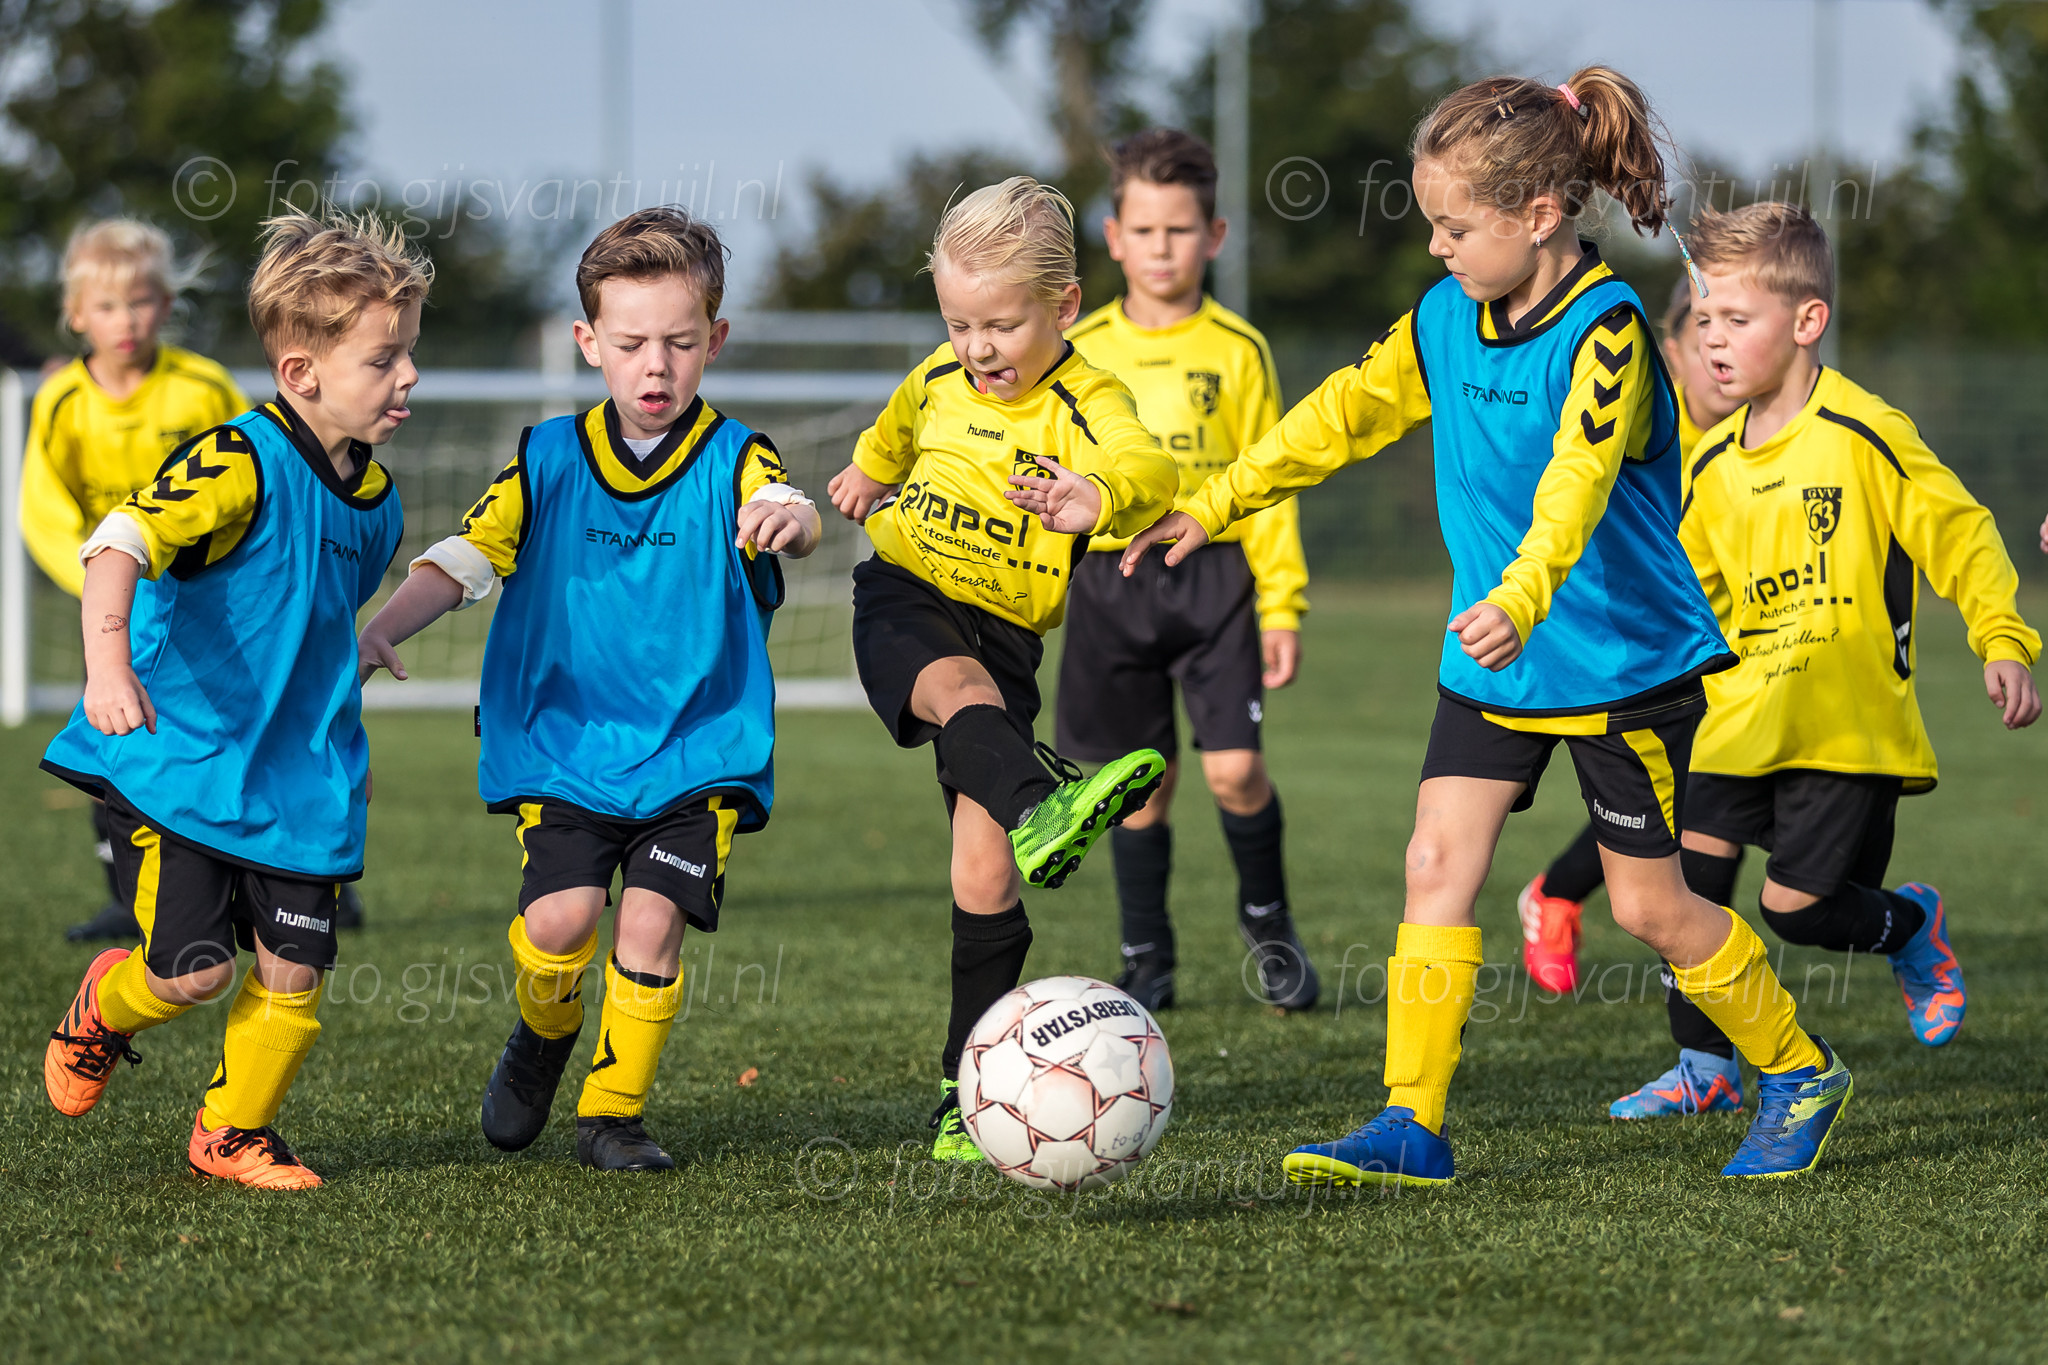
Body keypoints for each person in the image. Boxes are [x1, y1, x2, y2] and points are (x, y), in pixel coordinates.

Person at [1126, 69, 1853, 1184]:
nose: (1436, 247)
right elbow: (1338, 417)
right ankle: (1410, 1121)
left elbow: (1575, 485)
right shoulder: (1441, 318)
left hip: (1619, 665)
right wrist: (1213, 502)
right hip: (1494, 662)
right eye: (1431, 224)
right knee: (1432, 861)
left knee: (1650, 910)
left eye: (1455, 227)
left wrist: (1518, 596)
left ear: (1540, 214)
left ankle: (1800, 1070)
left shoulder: (1607, 330)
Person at [358, 208, 820, 1172]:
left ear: (714, 342)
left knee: (650, 919)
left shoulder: (739, 457)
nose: (657, 365)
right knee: (561, 922)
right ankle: (544, 1030)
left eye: (680, 343)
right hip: (567, 744)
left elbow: (783, 503)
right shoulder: (548, 458)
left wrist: (790, 520)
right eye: (632, 343)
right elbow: (468, 554)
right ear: (588, 343)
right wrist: (383, 627)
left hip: (697, 746)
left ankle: (613, 1115)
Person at [1606, 202, 2039, 1118]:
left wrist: (2002, 637)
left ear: (1807, 321)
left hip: (1845, 726)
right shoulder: (1710, 464)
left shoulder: (1864, 431)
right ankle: (1705, 1067)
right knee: (1686, 888)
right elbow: (1687, 597)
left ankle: (1910, 922)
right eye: (1703, 319)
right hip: (1737, 720)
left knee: (1795, 909)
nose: (1711, 341)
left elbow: (1960, 533)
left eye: (1736, 320)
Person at [39, 209, 427, 1188]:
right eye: (384, 360)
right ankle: (105, 1007)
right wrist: (107, 667)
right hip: (181, 759)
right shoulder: (237, 459)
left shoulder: (379, 506)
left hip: (297, 779)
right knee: (194, 973)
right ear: (303, 372)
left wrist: (353, 694)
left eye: (408, 354)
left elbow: (313, 619)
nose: (409, 377)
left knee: (296, 968)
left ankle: (233, 1132)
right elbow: (118, 542)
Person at [826, 177, 1180, 1162]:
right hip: (903, 594)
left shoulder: (1087, 398)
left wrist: (1096, 494)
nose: (976, 348)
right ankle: (1045, 800)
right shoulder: (937, 376)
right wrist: (866, 472)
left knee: (983, 876)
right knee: (957, 694)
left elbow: (1149, 469)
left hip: (1009, 634)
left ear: (1064, 307)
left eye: (999, 326)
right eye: (958, 324)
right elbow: (891, 435)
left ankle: (964, 1091)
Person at [1064, 128, 1316, 1013]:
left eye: (1179, 229)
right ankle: (1148, 957)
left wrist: (1282, 605)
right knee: (1142, 784)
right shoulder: (1078, 347)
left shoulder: (1238, 349)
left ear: (1213, 236)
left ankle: (1269, 926)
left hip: (1217, 579)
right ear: (1113, 236)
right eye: (1144, 230)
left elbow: (1272, 480)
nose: (1161, 247)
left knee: (1235, 770)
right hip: (1110, 582)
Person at [16, 220, 256, 944]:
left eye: (142, 301)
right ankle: (128, 898)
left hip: (207, 602)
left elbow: (258, 474)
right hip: (118, 611)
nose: (126, 320)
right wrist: (101, 585)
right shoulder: (62, 399)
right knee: (112, 738)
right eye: (107, 305)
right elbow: (43, 509)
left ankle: (286, 876)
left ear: (167, 305)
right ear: (76, 315)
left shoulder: (203, 386)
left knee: (231, 732)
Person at [1517, 273, 1742, 994]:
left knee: (1692, 823)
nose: (1721, 354)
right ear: (1669, 351)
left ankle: (1559, 896)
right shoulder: (1639, 422)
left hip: (1734, 661)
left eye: (1736, 332)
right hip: (1631, 653)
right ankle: (1558, 897)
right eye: (1703, 337)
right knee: (1686, 823)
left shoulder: (1764, 435)